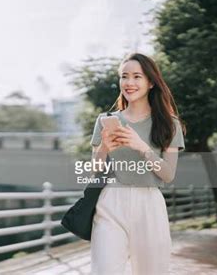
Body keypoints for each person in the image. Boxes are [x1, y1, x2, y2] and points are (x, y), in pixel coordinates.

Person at [90, 53, 186, 274]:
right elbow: (95, 169)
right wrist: (105, 145)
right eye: (124, 76)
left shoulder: (169, 124)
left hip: (149, 205)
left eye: (137, 76)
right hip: (110, 203)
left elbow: (168, 174)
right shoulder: (105, 120)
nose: (129, 83)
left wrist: (142, 147)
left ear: (151, 82)